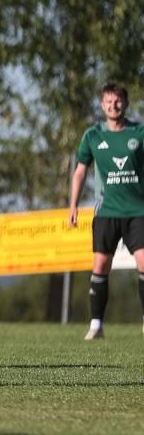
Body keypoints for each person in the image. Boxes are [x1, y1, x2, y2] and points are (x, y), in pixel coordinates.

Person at [69, 84, 144, 340]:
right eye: (109, 101)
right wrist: (73, 205)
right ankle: (96, 324)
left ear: (126, 103)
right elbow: (80, 172)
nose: (114, 105)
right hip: (107, 211)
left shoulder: (140, 132)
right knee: (100, 265)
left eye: (118, 101)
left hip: (138, 211)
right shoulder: (92, 136)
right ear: (102, 105)